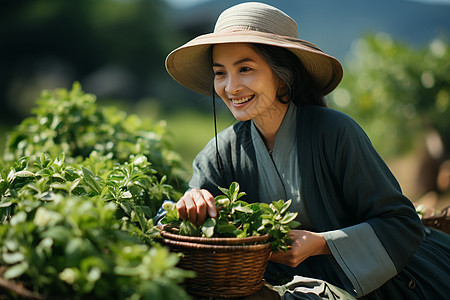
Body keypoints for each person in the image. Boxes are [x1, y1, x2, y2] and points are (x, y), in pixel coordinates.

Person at [163, 2, 450, 299]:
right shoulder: (219, 153)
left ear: (282, 74)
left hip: (380, 285)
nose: (231, 87)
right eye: (220, 73)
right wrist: (189, 202)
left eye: (245, 69)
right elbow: (175, 227)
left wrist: (321, 243)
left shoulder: (335, 132)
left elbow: (401, 224)